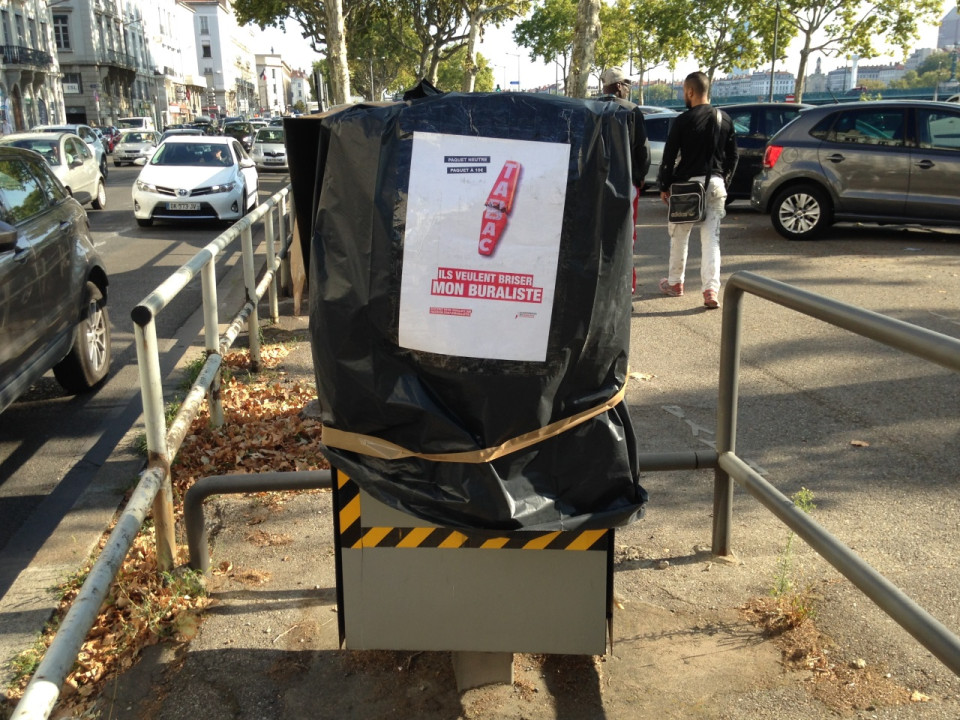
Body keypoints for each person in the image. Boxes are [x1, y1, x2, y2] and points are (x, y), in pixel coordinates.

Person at [658, 71, 738, 309]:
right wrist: (723, 180)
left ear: (690, 91)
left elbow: (669, 156)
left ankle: (675, 283)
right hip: (715, 184)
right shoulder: (725, 119)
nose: (684, 95)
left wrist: (665, 185)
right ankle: (711, 290)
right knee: (711, 240)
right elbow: (733, 157)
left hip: (686, 187)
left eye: (684, 91)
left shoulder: (683, 120)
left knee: (679, 236)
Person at [599, 66, 649, 295]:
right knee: (627, 236)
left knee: (600, 237)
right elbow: (642, 150)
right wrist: (638, 179)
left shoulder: (594, 109)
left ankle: (601, 289)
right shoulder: (632, 111)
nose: (629, 88)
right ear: (619, 86)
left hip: (599, 183)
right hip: (626, 183)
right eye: (627, 84)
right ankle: (626, 289)